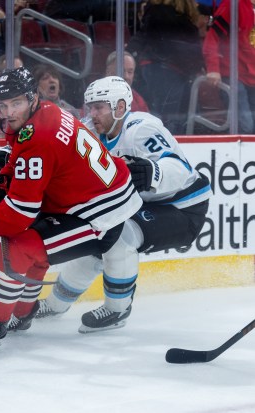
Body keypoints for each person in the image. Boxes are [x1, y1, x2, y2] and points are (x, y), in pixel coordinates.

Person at [0, 67, 143, 350]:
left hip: (101, 215)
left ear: (32, 98)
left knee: (16, 249)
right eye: (3, 105)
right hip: (90, 199)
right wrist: (6, 172)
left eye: (16, 103)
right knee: (33, 244)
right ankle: (22, 314)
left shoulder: (40, 136)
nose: (9, 112)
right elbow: (31, 160)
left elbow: (21, 211)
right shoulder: (46, 111)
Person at [34, 76, 211, 333]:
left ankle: (118, 310)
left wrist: (153, 171)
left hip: (183, 207)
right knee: (95, 237)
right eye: (90, 107)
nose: (92, 113)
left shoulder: (142, 129)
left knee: (119, 237)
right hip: (144, 204)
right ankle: (56, 304)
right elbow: (50, 147)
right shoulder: (90, 132)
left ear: (119, 107)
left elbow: (180, 169)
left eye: (99, 107)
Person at [127, 0, 204, 134]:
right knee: (168, 119)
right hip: (167, 70)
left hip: (160, 68)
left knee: (166, 117)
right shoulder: (168, 16)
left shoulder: (159, 13)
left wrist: (128, 52)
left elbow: (142, 36)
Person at [202, 0, 255, 134]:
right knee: (246, 126)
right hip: (234, 76)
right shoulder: (234, 5)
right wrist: (213, 68)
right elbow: (212, 38)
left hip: (251, 77)